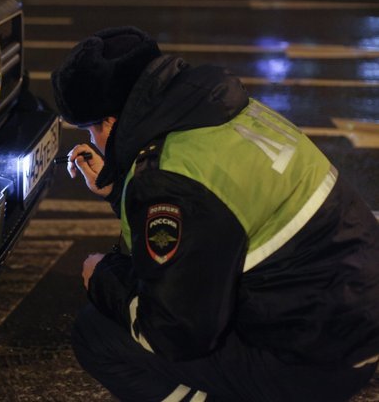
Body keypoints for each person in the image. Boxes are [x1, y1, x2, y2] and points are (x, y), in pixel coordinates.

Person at [51, 26, 379, 402]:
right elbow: (207, 225)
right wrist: (119, 190)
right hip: (354, 326)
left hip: (316, 364)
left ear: (108, 122)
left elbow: (175, 331)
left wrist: (100, 281)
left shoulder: (171, 179)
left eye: (90, 130)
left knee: (98, 334)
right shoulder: (223, 113)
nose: (92, 141)